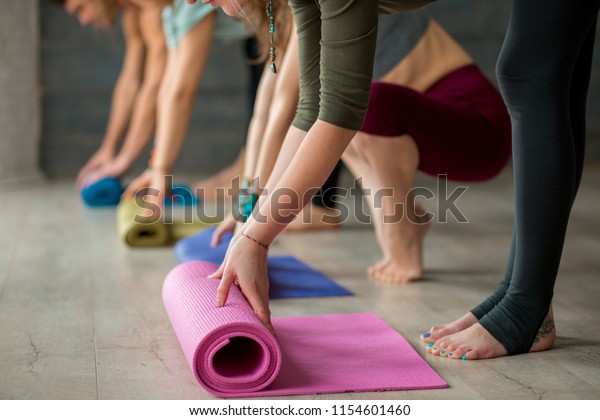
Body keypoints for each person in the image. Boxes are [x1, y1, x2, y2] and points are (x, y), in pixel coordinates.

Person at [192, 0, 600, 361]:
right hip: (446, 123)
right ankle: (523, 295)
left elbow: (334, 114)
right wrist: (252, 217)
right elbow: (305, 108)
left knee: (529, 73)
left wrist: (256, 235)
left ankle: (525, 304)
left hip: (474, 132)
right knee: (549, 75)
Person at [209, 4, 511, 285]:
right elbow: (265, 109)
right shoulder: (295, 15)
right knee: (340, 122)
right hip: (428, 126)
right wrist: (246, 206)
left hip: (479, 133)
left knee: (351, 113)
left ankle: (402, 237)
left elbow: (286, 109)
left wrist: (253, 225)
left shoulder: (320, 8)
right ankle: (407, 218)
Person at [59, 0, 168, 188]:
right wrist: (108, 148)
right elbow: (129, 82)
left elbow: (155, 85)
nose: (84, 21)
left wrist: (125, 158)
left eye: (80, 9)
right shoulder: (133, 11)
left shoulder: (151, 4)